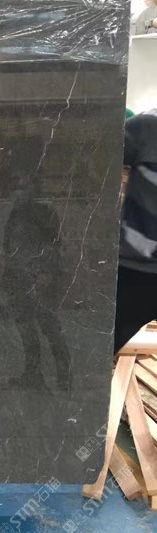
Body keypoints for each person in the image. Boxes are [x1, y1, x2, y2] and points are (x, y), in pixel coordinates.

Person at [3, 181, 71, 390]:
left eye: (22, 187)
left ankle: (64, 377)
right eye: (15, 187)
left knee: (49, 327)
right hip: (20, 277)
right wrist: (10, 274)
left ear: (33, 188)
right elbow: (11, 246)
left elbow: (54, 244)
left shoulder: (43, 211)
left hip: (41, 278)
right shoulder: (16, 213)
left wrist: (47, 273)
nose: (17, 192)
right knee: (26, 329)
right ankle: (33, 375)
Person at [115, 109, 157, 351]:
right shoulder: (148, 127)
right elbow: (96, 158)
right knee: (94, 353)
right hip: (134, 273)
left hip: (135, 269)